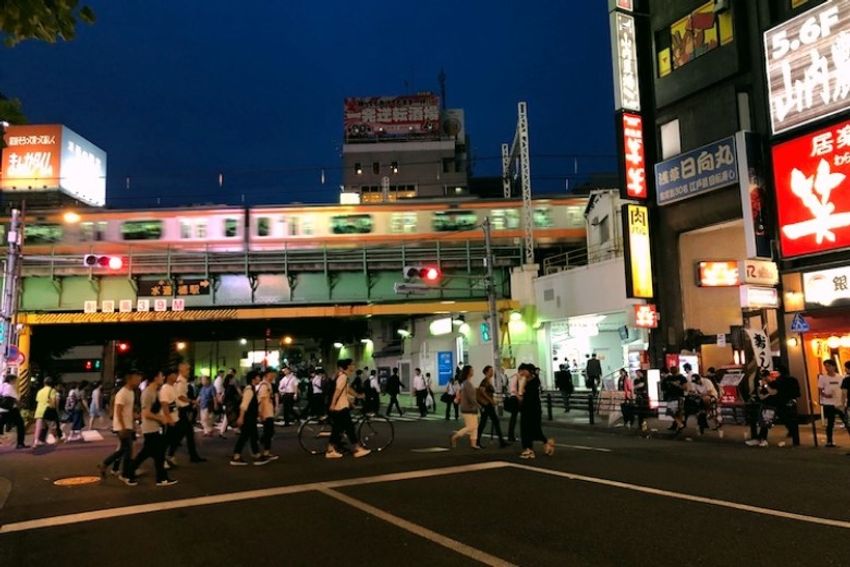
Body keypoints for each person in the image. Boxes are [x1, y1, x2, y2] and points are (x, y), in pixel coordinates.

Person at [129, 371, 177, 486]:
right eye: (161, 376)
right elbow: (146, 413)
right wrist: (161, 418)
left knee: (155, 454)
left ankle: (161, 478)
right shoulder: (148, 393)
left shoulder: (155, 391)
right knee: (154, 453)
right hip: (150, 428)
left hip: (155, 427)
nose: (163, 377)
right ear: (155, 378)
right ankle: (160, 478)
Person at [99, 371, 140, 486]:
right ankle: (125, 475)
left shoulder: (131, 392)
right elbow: (118, 412)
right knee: (128, 451)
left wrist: (135, 418)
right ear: (129, 379)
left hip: (128, 426)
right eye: (137, 379)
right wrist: (122, 427)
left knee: (123, 450)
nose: (139, 381)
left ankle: (105, 464)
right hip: (122, 426)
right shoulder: (122, 393)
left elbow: (128, 410)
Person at [325, 359, 371, 459]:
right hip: (340, 407)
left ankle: (331, 449)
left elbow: (346, 391)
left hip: (341, 406)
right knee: (349, 428)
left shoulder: (343, 377)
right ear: (348, 366)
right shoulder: (343, 377)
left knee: (338, 429)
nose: (354, 366)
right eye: (352, 364)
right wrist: (332, 404)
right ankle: (357, 448)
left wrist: (356, 397)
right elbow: (337, 391)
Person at [747, 367, 801, 448]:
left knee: (767, 421)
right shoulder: (791, 380)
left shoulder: (778, 382)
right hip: (782, 403)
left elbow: (773, 392)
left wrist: (765, 386)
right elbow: (763, 395)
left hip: (775, 404)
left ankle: (762, 438)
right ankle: (794, 438)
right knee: (782, 421)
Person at [168, 363, 206, 464]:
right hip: (181, 411)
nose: (189, 371)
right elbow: (180, 396)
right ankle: (171, 455)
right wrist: (192, 401)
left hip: (182, 410)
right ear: (181, 370)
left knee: (185, 433)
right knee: (180, 434)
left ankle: (191, 455)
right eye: (187, 370)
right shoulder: (180, 382)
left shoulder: (183, 381)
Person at [518, 364, 555, 459]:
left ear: (530, 371)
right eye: (520, 371)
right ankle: (532, 447)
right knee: (526, 429)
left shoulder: (534, 381)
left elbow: (522, 394)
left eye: (523, 370)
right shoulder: (526, 380)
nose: (521, 373)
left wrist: (522, 386)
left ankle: (531, 449)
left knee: (533, 429)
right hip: (526, 409)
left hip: (533, 409)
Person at [230, 371, 262, 465]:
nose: (259, 379)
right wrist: (241, 417)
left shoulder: (251, 389)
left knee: (253, 435)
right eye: (258, 377)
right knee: (244, 436)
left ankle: (256, 454)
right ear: (253, 379)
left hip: (250, 417)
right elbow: (244, 405)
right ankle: (236, 456)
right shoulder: (249, 390)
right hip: (248, 418)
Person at [476, 366, 508, 448]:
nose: (492, 372)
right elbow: (482, 391)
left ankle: (501, 442)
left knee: (489, 422)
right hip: (486, 405)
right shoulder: (485, 381)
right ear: (486, 372)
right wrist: (490, 400)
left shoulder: (488, 381)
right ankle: (477, 441)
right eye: (490, 370)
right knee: (486, 422)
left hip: (488, 404)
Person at [818, 359, 847, 448]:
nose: (827, 368)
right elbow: (820, 389)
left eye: (829, 366)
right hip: (828, 403)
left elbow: (844, 390)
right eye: (825, 366)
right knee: (830, 422)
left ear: (834, 366)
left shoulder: (841, 377)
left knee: (846, 421)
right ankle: (829, 441)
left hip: (839, 403)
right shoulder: (823, 378)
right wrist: (824, 395)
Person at [450, 365, 481, 449]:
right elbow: (471, 397)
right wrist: (479, 406)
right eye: (471, 370)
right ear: (468, 372)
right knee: (471, 426)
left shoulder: (465, 383)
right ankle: (455, 436)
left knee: (474, 426)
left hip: (468, 407)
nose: (473, 371)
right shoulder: (467, 383)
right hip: (468, 408)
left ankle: (473, 444)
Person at [256, 369, 279, 465]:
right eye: (271, 375)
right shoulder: (264, 385)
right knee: (268, 432)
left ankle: (265, 450)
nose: (273, 376)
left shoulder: (268, 384)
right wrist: (261, 414)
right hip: (266, 413)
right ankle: (265, 452)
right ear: (266, 375)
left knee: (269, 432)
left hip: (268, 412)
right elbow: (261, 401)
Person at [33, 377, 62, 447]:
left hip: (39, 411)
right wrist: (54, 409)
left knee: (38, 428)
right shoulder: (52, 390)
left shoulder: (40, 391)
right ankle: (57, 439)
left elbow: (37, 400)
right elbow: (52, 401)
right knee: (52, 426)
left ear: (44, 383)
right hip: (47, 411)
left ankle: (36, 441)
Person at [0, 374, 27, 449]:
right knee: (20, 425)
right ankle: (20, 443)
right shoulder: (9, 387)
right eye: (15, 380)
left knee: (1, 423)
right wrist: (21, 405)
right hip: (11, 409)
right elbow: (14, 399)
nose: (16, 381)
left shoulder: (2, 385)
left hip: (2, 409)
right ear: (11, 380)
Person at [661, 366, 687, 432]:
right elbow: (663, 387)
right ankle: (679, 424)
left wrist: (677, 385)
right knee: (671, 411)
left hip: (679, 396)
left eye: (674, 369)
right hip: (671, 396)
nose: (673, 371)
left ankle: (679, 426)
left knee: (679, 412)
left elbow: (685, 387)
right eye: (672, 370)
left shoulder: (682, 378)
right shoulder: (668, 378)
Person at [633, 369, 650, 435]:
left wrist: (635, 387)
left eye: (638, 373)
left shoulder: (644, 378)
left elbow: (642, 385)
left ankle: (644, 426)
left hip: (644, 397)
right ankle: (640, 425)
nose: (637, 374)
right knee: (639, 412)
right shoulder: (636, 380)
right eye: (636, 373)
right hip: (639, 397)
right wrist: (636, 387)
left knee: (644, 411)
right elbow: (635, 388)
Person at [505, 370, 520, 442]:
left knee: (514, 418)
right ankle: (510, 436)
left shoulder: (515, 377)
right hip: (515, 399)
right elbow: (513, 389)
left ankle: (511, 436)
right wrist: (519, 397)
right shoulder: (516, 377)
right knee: (513, 418)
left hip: (515, 398)